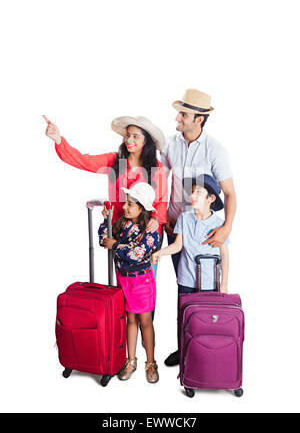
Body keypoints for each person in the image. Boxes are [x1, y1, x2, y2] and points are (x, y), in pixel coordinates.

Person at [43, 115, 168, 284]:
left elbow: (161, 199)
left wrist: (156, 219)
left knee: (147, 283)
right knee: (124, 282)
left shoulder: (156, 167)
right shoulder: (115, 160)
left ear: (147, 141)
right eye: (127, 135)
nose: (129, 139)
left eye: (135, 136)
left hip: (146, 234)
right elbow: (84, 161)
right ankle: (121, 311)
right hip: (121, 231)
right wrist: (59, 140)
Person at [160, 89, 236, 366]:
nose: (177, 118)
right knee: (183, 290)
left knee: (206, 294)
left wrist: (226, 227)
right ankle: (184, 348)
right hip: (176, 229)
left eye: (183, 114)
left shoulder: (215, 150)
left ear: (199, 119)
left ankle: (207, 346)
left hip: (206, 236)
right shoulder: (171, 144)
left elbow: (230, 192)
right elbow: (154, 171)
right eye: (179, 112)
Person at [99, 182, 160, 383]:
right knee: (130, 320)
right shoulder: (123, 223)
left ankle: (150, 363)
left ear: (142, 208)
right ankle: (130, 360)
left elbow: (137, 254)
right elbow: (103, 240)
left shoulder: (151, 231)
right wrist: (106, 221)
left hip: (141, 283)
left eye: (130, 204)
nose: (124, 207)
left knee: (145, 321)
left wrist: (116, 245)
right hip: (123, 280)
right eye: (126, 203)